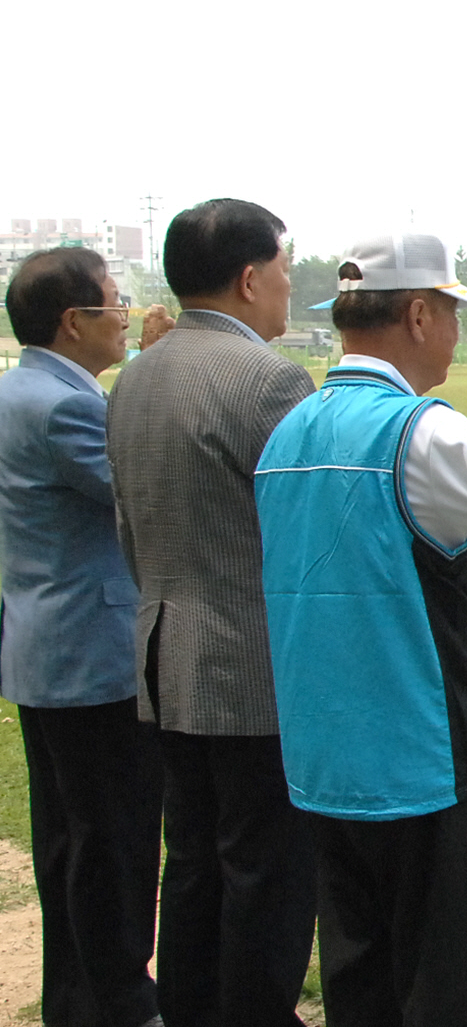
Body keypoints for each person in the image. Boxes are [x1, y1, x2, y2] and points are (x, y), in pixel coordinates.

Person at [257, 246, 467, 1023]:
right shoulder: (418, 432)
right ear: (417, 314)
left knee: (362, 990)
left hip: (327, 771)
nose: (454, 336)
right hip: (429, 773)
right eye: (450, 314)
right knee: (455, 996)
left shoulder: (289, 433)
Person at [106, 198, 319, 1027]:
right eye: (285, 269)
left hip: (164, 653)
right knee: (266, 869)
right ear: (250, 277)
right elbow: (308, 534)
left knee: (193, 860)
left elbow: (130, 526)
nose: (289, 285)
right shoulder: (269, 379)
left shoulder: (138, 373)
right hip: (250, 663)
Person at [2, 248, 163, 1027]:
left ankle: (76, 999)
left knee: (69, 839)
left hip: (44, 649)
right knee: (114, 841)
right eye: (114, 302)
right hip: (93, 656)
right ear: (74, 322)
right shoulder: (65, 407)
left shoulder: (20, 389)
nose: (125, 316)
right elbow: (142, 492)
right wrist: (157, 381)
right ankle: (121, 1002)